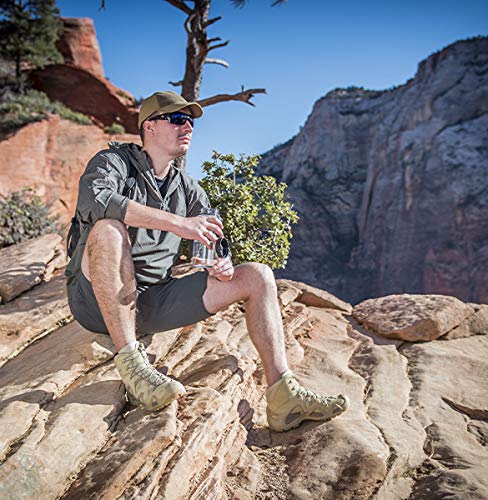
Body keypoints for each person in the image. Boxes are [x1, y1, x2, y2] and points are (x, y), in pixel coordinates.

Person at [65, 91, 349, 432]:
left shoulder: (187, 187)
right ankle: (133, 368)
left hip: (151, 302)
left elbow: (213, 237)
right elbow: (95, 200)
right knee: (107, 230)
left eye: (190, 121)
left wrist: (221, 263)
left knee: (258, 275)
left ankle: (283, 395)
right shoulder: (114, 162)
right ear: (149, 126)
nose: (187, 127)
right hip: (96, 302)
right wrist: (179, 224)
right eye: (177, 119)